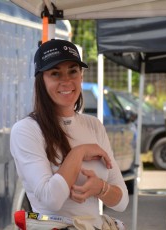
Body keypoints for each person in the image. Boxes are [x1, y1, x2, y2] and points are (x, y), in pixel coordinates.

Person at [10, 39, 129, 229]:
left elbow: (121, 201)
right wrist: (78, 152)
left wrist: (100, 187)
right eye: (55, 73)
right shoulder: (26, 130)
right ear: (41, 81)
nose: (66, 81)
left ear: (81, 75)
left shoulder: (94, 125)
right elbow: (51, 199)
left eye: (73, 71)